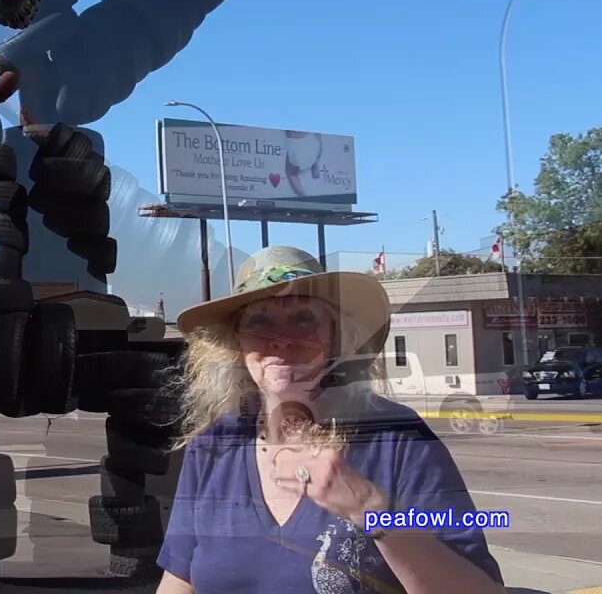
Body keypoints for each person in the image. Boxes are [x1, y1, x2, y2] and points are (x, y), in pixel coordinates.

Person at [155, 245, 506, 594]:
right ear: (237, 342)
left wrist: (370, 509)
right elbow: (180, 580)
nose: (281, 339)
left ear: (337, 339)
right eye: (259, 321)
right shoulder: (215, 445)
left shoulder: (397, 438)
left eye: (304, 319)